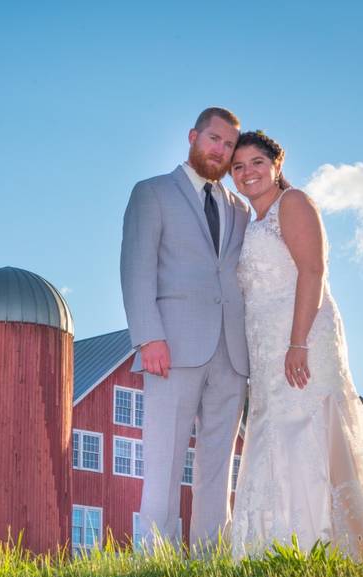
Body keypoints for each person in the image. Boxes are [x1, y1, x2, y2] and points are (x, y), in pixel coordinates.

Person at [229, 130, 363, 563]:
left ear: (277, 165)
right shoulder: (250, 224)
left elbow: (313, 271)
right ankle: (280, 549)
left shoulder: (294, 204)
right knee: (275, 433)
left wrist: (298, 342)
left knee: (310, 427)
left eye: (256, 162)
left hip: (303, 339)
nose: (247, 173)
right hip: (265, 349)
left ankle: (334, 545)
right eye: (237, 167)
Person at [120, 107, 251, 551]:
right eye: (213, 139)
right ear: (193, 136)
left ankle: (212, 558)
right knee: (164, 457)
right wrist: (148, 336)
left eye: (229, 144)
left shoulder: (240, 209)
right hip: (171, 345)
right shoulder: (152, 193)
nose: (220, 150)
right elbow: (136, 268)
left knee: (218, 462)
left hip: (232, 351)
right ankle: (155, 556)